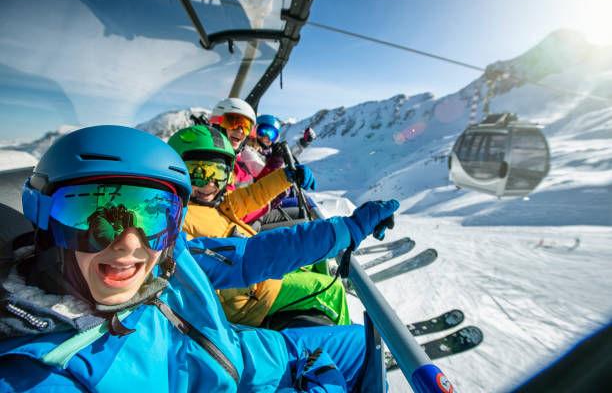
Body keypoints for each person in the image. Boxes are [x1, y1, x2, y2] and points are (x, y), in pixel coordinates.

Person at [0, 125, 400, 392]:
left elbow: (251, 254)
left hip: (262, 353)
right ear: (43, 216)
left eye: (154, 214)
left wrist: (346, 230)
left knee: (372, 346)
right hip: (245, 379)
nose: (128, 243)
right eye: (91, 215)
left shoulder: (171, 258)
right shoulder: (46, 372)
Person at [168, 125, 349, 328]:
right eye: (198, 173)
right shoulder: (178, 221)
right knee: (331, 291)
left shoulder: (215, 204)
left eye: (218, 174)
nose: (210, 185)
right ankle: (358, 355)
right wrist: (270, 265)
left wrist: (287, 177)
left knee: (315, 261)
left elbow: (253, 195)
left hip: (258, 278)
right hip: (249, 297)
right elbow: (203, 277)